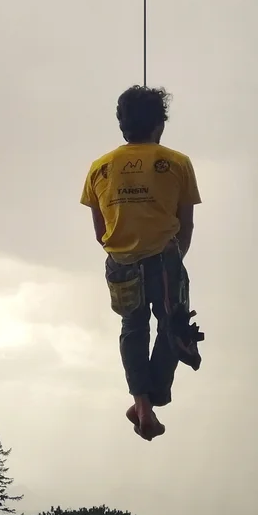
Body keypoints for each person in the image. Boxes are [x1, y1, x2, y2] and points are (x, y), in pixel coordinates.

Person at [79, 85, 204, 441]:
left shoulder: (99, 168)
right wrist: (173, 257)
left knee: (133, 328)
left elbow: (101, 230)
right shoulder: (178, 163)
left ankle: (141, 403)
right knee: (172, 324)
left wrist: (123, 250)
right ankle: (157, 396)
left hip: (119, 261)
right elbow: (187, 223)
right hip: (165, 257)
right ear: (159, 125)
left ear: (122, 125)